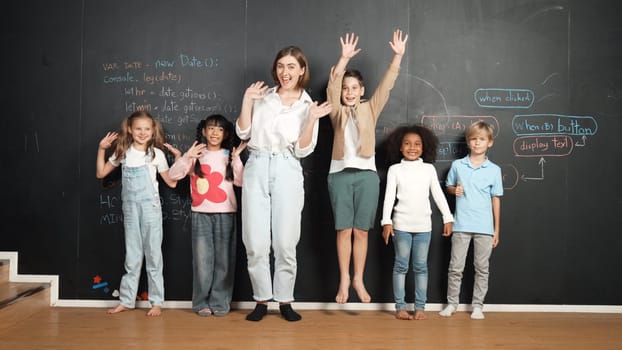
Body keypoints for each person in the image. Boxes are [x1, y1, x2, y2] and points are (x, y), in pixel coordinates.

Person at [236, 46, 331, 322]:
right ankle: (262, 300)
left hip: (287, 166)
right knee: (254, 240)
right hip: (257, 163)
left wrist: (312, 119)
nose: (284, 72)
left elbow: (302, 150)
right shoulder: (262, 96)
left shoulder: (306, 105)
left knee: (285, 241)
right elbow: (243, 132)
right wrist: (246, 100)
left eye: (291, 66)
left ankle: (285, 300)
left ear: (301, 70)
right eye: (280, 66)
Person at [326, 29, 408, 304]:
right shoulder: (335, 111)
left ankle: (359, 278)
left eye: (354, 88)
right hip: (339, 176)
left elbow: (387, 85)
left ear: (362, 92)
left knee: (361, 230)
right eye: (346, 88)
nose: (348, 92)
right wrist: (343, 59)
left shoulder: (370, 108)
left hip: (367, 177)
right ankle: (344, 280)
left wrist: (397, 57)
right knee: (343, 230)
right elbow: (332, 86)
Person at [96, 111, 180, 316]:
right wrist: (101, 149)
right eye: (138, 129)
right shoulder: (123, 151)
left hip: (151, 209)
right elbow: (101, 173)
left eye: (147, 129)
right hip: (130, 209)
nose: (143, 133)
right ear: (130, 130)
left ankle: (156, 302)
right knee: (132, 256)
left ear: (153, 131)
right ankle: (126, 300)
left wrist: (179, 158)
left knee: (153, 255)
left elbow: (172, 182)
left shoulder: (156, 154)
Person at [168, 114, 246, 317]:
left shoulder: (230, 155)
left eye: (220, 129)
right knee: (203, 261)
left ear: (226, 133)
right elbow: (174, 175)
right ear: (203, 131)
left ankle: (220, 302)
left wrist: (236, 159)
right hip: (200, 214)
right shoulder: (197, 154)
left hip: (226, 214)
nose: (214, 133)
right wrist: (188, 156)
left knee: (224, 261)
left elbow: (240, 182)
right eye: (210, 128)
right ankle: (201, 302)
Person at [380, 124, 453, 320]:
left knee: (421, 267)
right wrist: (386, 222)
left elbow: (438, 196)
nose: (412, 147)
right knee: (401, 266)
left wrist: (448, 218)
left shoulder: (428, 169)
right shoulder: (395, 170)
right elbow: (388, 197)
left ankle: (420, 307)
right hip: (401, 226)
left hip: (423, 228)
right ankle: (400, 308)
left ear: (424, 147)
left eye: (417, 144)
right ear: (400, 147)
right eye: (407, 144)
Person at [438, 121, 503, 320]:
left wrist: (496, 229)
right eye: (473, 139)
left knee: (482, 268)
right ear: (468, 142)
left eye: (481, 139)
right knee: (455, 267)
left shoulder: (494, 170)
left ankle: (478, 306)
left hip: (484, 227)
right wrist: (453, 190)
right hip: (461, 224)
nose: (477, 143)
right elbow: (448, 186)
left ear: (489, 142)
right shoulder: (458, 165)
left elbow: (496, 199)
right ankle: (452, 304)